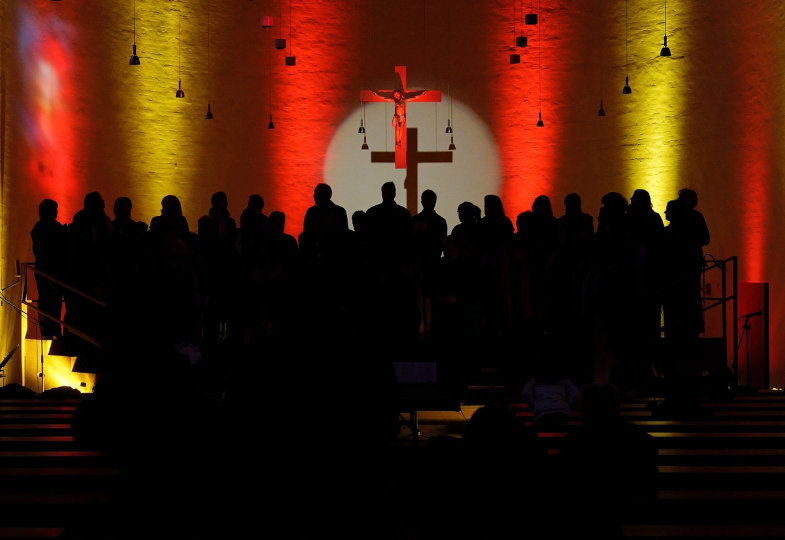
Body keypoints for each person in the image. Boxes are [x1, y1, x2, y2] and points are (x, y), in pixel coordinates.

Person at [30, 199, 67, 339]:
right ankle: (47, 329)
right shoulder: (42, 229)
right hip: (47, 270)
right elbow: (40, 250)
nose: (56, 212)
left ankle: (52, 328)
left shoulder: (42, 228)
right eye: (54, 209)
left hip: (51, 270)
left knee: (53, 300)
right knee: (48, 300)